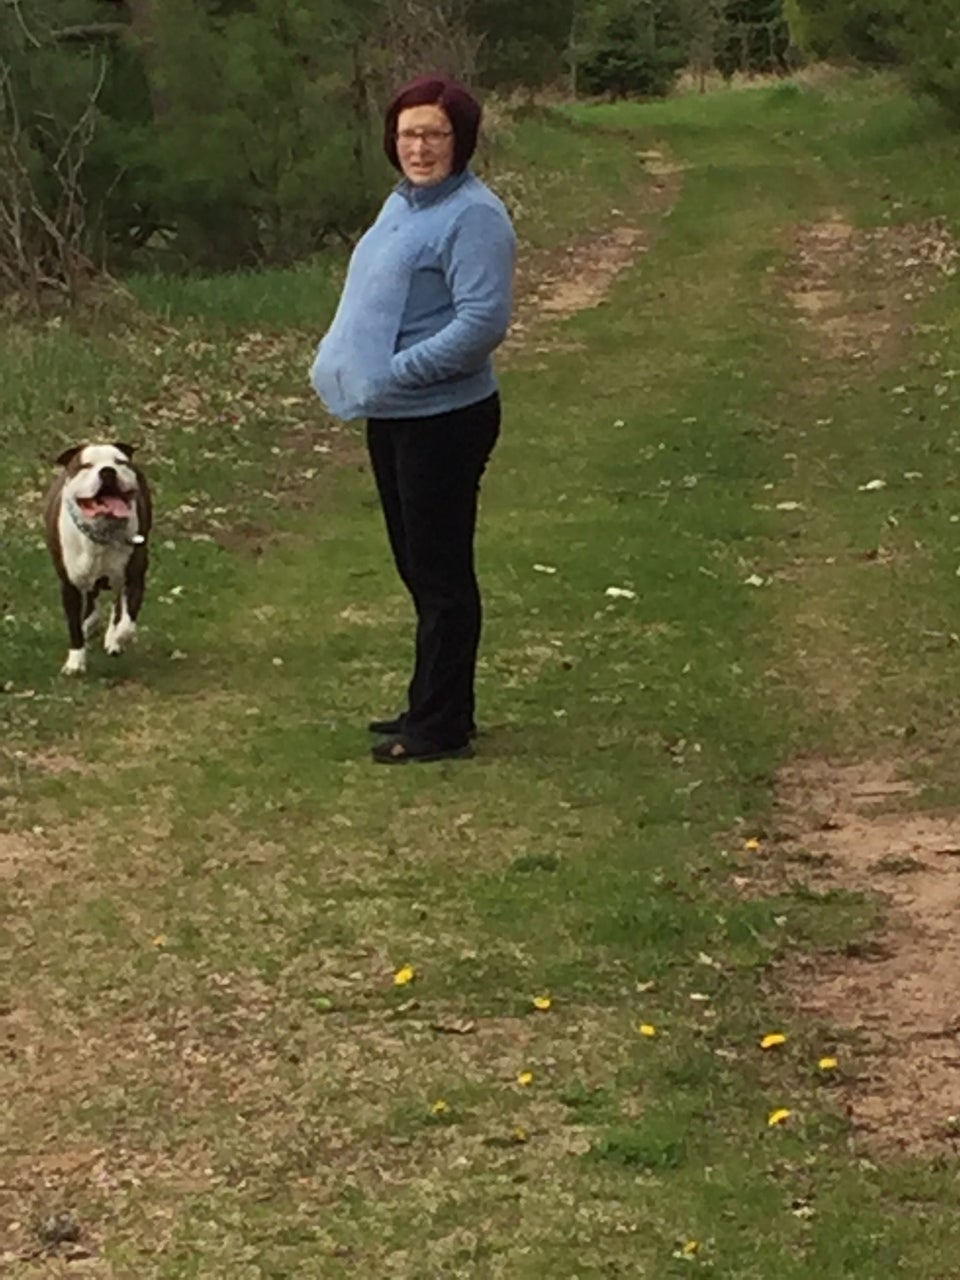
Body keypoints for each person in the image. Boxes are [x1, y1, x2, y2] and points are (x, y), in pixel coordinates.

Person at [310, 74, 516, 765]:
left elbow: (481, 323)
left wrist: (393, 372)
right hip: (395, 415)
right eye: (407, 134)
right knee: (417, 566)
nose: (419, 148)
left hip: (445, 417)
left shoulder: (474, 216)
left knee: (441, 573)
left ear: (462, 139)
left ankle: (441, 725)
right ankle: (432, 701)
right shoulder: (402, 203)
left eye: (434, 134)